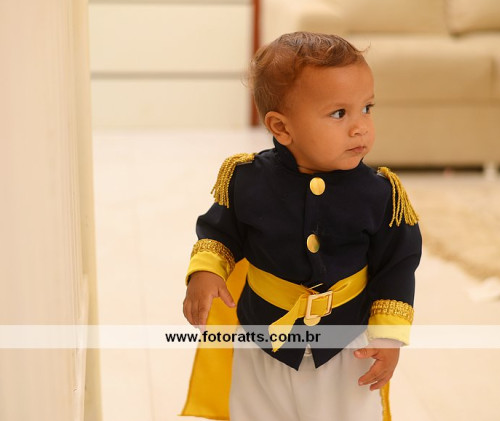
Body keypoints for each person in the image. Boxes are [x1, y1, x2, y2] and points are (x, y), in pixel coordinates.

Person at [181, 31, 422, 421]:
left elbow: (396, 267)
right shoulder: (247, 179)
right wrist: (206, 272)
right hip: (261, 343)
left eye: (367, 108)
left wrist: (389, 336)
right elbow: (220, 233)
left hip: (347, 347)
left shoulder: (380, 195)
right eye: (339, 114)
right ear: (281, 127)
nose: (360, 127)